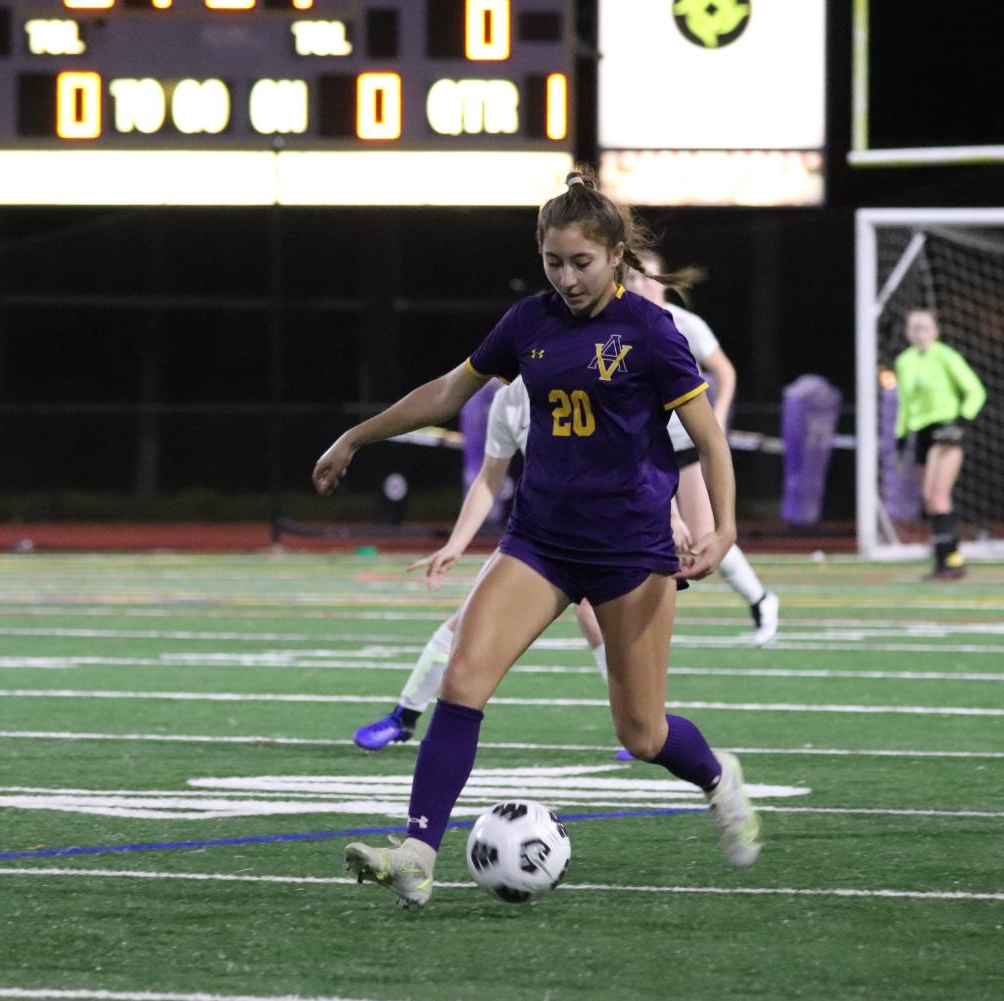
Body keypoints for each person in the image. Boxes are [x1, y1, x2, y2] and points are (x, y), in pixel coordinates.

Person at [313, 167, 762, 909]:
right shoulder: (529, 322)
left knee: (642, 732)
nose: (567, 276)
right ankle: (417, 853)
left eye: (580, 262)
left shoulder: (651, 332)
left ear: (616, 253)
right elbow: (447, 393)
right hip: (540, 541)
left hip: (629, 552)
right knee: (462, 680)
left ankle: (719, 777)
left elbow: (709, 440)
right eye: (554, 262)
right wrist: (355, 437)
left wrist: (723, 529)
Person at [351, 376, 610, 752]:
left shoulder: (589, 386)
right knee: (467, 619)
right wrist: (456, 544)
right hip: (543, 540)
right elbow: (490, 479)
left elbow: (640, 458)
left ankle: (643, 729)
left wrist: (672, 517)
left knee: (601, 625)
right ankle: (404, 716)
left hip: (611, 535)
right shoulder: (510, 399)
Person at [626, 252, 780, 645]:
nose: (639, 284)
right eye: (631, 278)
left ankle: (761, 600)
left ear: (663, 281)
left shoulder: (684, 324)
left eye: (646, 278)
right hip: (638, 448)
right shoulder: (619, 326)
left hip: (682, 444)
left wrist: (719, 417)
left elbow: (725, 371)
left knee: (700, 537)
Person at [893, 308, 986, 580]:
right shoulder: (904, 361)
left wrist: (960, 422)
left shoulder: (945, 356)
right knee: (929, 500)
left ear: (935, 330)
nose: (919, 332)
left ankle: (950, 561)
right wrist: (900, 436)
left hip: (944, 432)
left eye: (924, 327)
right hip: (920, 434)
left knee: (938, 496)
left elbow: (975, 391)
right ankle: (944, 560)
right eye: (914, 327)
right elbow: (905, 404)